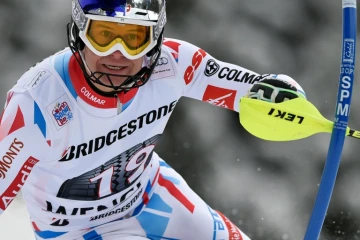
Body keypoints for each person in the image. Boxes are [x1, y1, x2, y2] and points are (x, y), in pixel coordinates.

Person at [0, 0, 306, 239]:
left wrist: (282, 95)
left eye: (133, 38)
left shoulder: (171, 65)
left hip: (152, 195)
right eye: (104, 36)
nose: (117, 54)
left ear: (155, 39)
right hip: (77, 231)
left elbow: (252, 91)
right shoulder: (37, 105)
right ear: (80, 32)